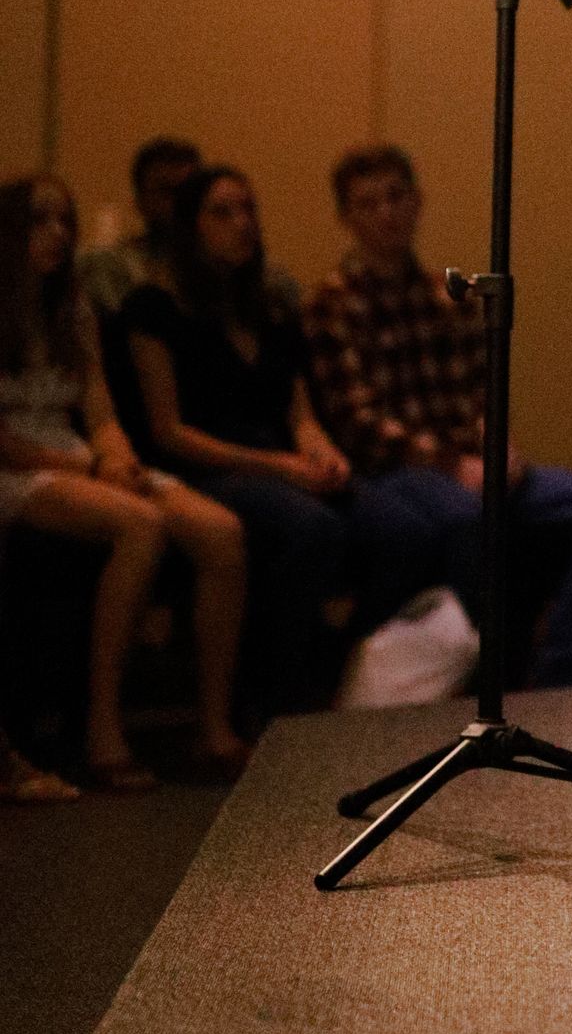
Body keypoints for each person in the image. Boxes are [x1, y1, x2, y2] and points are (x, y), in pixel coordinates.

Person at [302, 145, 572, 689]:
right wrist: (449, 463)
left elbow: (480, 395)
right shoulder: (334, 300)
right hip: (395, 473)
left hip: (468, 461)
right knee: (466, 515)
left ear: (417, 202)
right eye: (368, 204)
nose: (386, 213)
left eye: (396, 197)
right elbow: (357, 421)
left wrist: (495, 445)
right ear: (347, 218)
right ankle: (470, 683)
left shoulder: (446, 293)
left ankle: (555, 681)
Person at [123, 167, 431, 716]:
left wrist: (321, 450)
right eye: (223, 212)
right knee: (312, 527)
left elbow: (298, 410)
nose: (242, 224)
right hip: (206, 466)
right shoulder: (154, 307)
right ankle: (268, 692)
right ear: (192, 227)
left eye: (248, 209)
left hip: (279, 459)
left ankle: (336, 667)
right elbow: (167, 430)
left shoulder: (266, 305)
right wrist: (280, 466)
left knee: (399, 530)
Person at [0, 173, 250, 787]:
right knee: (141, 525)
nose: (57, 234)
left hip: (72, 451)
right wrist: (93, 468)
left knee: (219, 530)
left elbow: (99, 407)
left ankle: (213, 728)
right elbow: (5, 441)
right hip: (16, 464)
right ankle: (104, 731)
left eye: (64, 220)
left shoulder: (70, 305)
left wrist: (113, 455)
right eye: (40, 221)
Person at [76, 136, 203, 321]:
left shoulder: (220, 266)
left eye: (189, 191)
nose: (180, 203)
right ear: (140, 201)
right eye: (166, 191)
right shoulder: (111, 266)